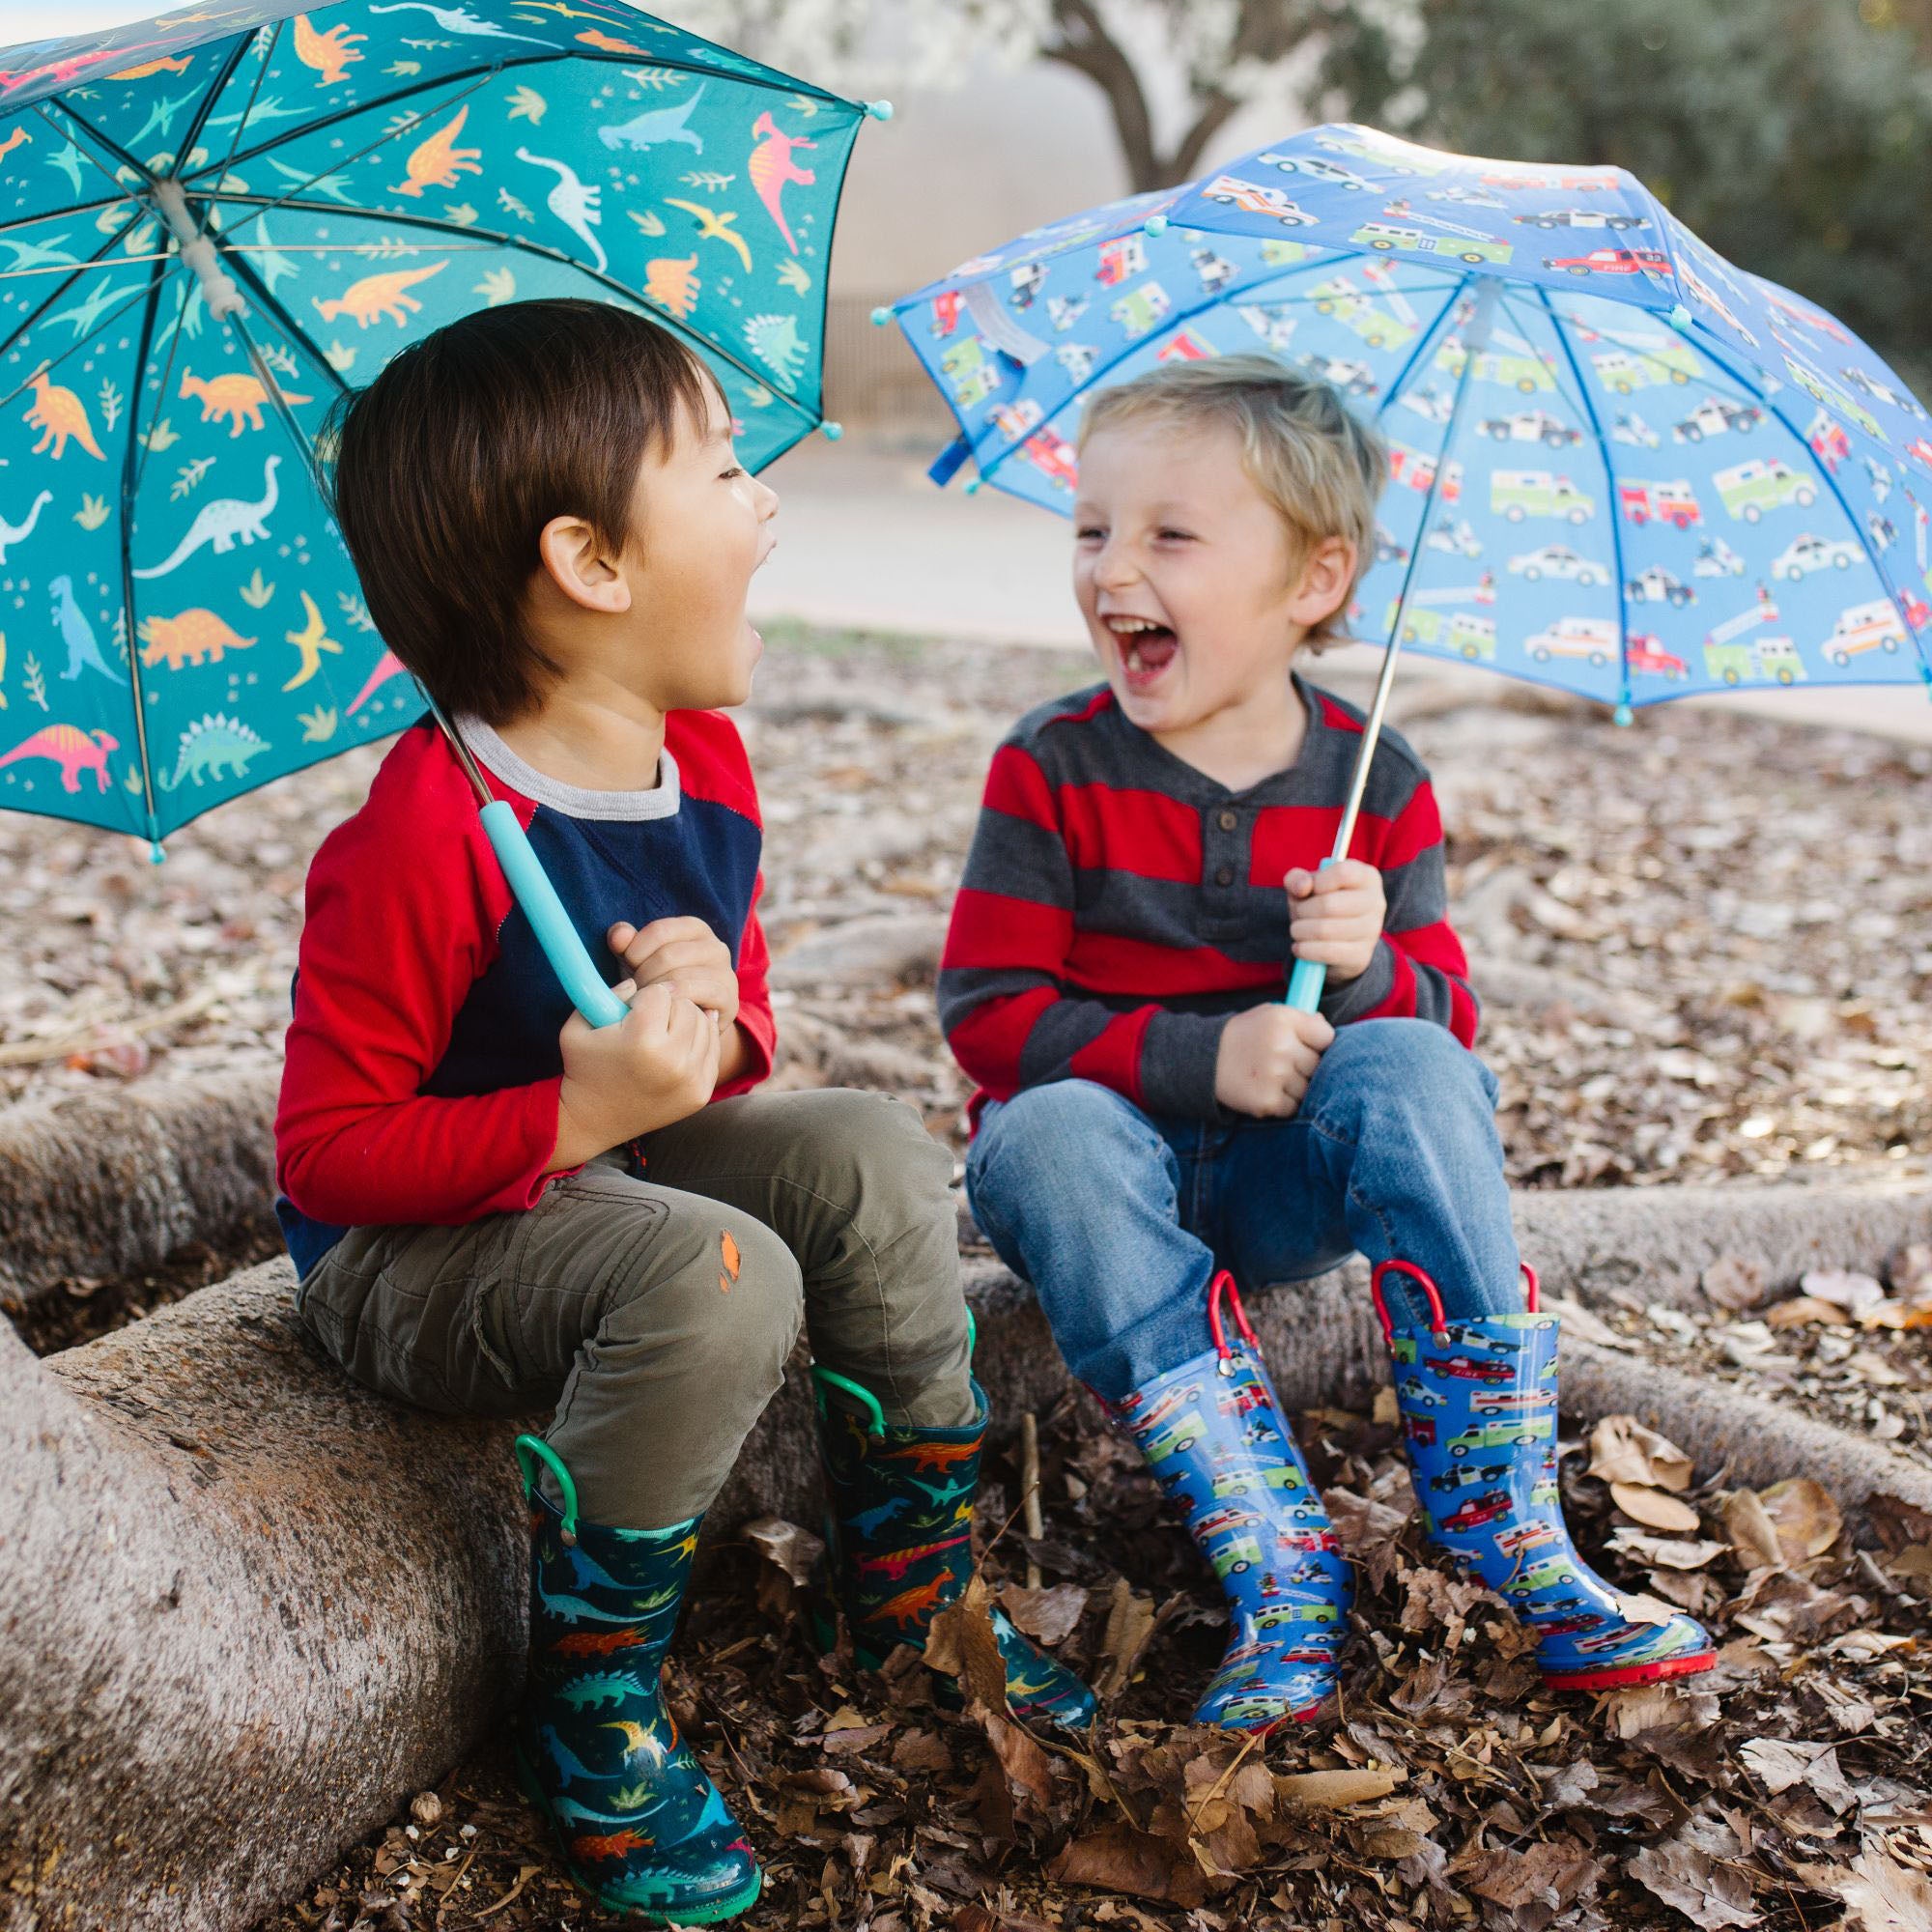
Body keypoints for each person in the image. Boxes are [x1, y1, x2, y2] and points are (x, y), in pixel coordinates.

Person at [275, 298, 1092, 1926]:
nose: (768, 496)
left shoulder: (700, 757)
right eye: (722, 469)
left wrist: (709, 1017)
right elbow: (325, 1157)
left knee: (864, 1151)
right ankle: (588, 1702)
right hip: (410, 1259)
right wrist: (574, 1115)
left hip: (614, 1170)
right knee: (719, 1271)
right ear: (590, 563)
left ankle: (910, 1588)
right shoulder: (427, 830)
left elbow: (746, 1041)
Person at [939, 355, 1714, 1736]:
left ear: (1313, 581)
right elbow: (989, 1012)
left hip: (1283, 1187)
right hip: (1099, 1184)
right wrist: (1202, 1055)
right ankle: (1276, 1558)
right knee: (1041, 1125)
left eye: (1170, 535)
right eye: (1092, 529)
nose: (1115, 568)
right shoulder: (1050, 767)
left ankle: (1505, 1528)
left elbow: (1450, 1029)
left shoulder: (1379, 780)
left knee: (1417, 1065)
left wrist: (1366, 972)